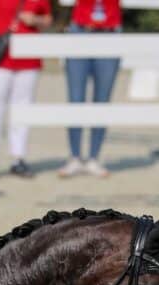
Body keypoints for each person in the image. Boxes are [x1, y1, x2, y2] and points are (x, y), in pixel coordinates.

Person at [0, 0, 54, 179]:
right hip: (0, 59)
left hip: (29, 60)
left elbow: (47, 19)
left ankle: (18, 158)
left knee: (22, 109)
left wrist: (34, 20)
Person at [58, 0, 123, 178]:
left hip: (109, 33)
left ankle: (94, 157)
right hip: (80, 30)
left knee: (102, 100)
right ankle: (75, 156)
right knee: (75, 99)